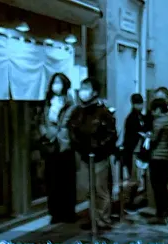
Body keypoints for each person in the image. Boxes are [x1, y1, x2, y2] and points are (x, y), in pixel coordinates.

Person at [68, 76, 118, 231]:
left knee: (100, 189)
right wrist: (80, 146)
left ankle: (103, 219)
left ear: (95, 92)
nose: (83, 92)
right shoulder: (78, 111)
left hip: (99, 157)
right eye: (82, 88)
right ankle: (93, 218)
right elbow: (72, 129)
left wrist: (98, 148)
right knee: (89, 190)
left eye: (87, 88)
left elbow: (111, 134)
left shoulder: (103, 112)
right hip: (84, 156)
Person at [38, 72, 76, 224]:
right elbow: (41, 121)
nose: (56, 85)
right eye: (54, 82)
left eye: (59, 82)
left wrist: (60, 136)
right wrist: (45, 133)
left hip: (65, 146)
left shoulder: (70, 103)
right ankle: (55, 213)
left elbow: (72, 125)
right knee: (52, 181)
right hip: (50, 145)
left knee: (67, 181)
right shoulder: (47, 103)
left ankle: (69, 212)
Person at [147, 96, 168, 225]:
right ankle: (164, 212)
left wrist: (148, 136)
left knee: (157, 187)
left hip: (158, 157)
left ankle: (160, 215)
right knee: (164, 186)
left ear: (158, 109)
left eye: (153, 110)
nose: (152, 113)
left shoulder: (159, 121)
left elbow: (154, 139)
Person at [121, 93, 148, 208]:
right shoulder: (132, 118)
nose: (140, 106)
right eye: (138, 103)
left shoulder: (140, 116)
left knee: (137, 178)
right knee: (134, 178)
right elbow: (130, 137)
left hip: (139, 151)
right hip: (133, 151)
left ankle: (131, 200)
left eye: (141, 103)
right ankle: (129, 201)